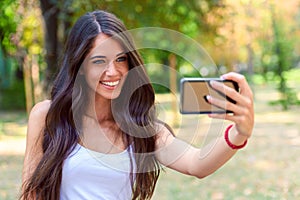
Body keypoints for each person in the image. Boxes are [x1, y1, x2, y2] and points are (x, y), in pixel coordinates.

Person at [20, 10, 254, 200]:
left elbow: (197, 164)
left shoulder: (140, 127)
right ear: (80, 66)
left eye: (121, 59)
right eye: (99, 61)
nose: (113, 71)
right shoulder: (46, 116)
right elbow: (30, 193)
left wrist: (239, 133)